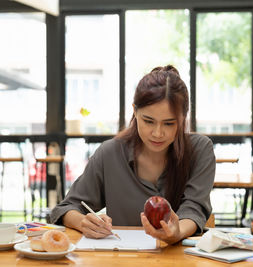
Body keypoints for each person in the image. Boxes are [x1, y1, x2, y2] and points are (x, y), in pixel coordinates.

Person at [50, 65, 215, 244]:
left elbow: (194, 208)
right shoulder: (109, 153)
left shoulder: (200, 150)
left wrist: (177, 232)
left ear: (183, 118)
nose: (158, 133)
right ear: (135, 111)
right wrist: (84, 222)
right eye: (148, 121)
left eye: (169, 123)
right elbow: (66, 208)